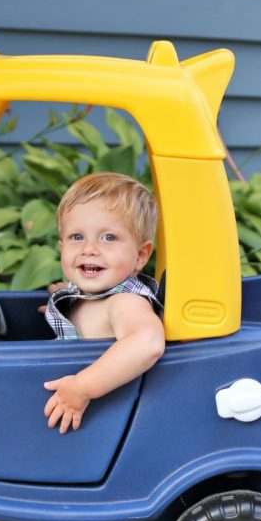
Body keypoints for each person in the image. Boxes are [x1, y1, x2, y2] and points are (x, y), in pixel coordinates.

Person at [43, 172, 165, 434]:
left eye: (108, 238)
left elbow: (148, 343)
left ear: (141, 255)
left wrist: (82, 387)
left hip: (97, 424)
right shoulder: (90, 295)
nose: (89, 249)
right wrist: (67, 301)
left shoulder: (125, 302)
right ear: (61, 245)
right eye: (77, 237)